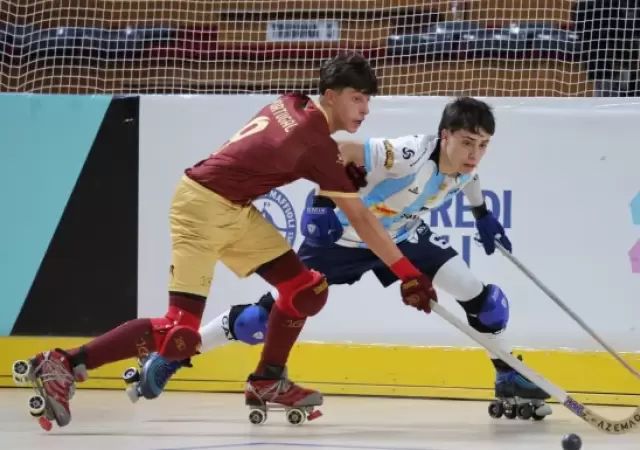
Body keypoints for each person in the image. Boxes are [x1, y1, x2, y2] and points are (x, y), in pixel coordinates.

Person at [11, 53, 440, 431]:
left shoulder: (292, 102)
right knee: (179, 333)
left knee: (306, 290)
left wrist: (335, 172)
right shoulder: (316, 144)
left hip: (234, 209)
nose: (365, 109)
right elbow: (362, 219)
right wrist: (408, 274)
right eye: (356, 98)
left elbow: (284, 151)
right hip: (200, 207)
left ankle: (268, 377)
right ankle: (64, 363)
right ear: (330, 95)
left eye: (368, 100)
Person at [125, 97, 553, 420]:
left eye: (482, 145)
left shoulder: (466, 168)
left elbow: (472, 180)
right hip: (345, 239)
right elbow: (341, 149)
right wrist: (321, 207)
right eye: (466, 143)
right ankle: (172, 356)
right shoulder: (408, 152)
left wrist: (482, 216)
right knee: (262, 320)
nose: (474, 154)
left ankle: (508, 374)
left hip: (404, 238)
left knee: (486, 301)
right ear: (445, 136)